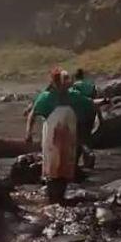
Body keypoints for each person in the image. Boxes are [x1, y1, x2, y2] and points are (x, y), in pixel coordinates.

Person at [25, 69, 94, 203]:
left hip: (69, 136)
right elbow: (33, 114)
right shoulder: (46, 97)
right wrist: (28, 133)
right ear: (53, 82)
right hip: (52, 138)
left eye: (66, 79)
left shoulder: (73, 96)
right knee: (52, 166)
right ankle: (53, 198)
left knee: (66, 165)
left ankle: (59, 197)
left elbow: (89, 103)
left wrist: (103, 101)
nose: (64, 82)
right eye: (61, 80)